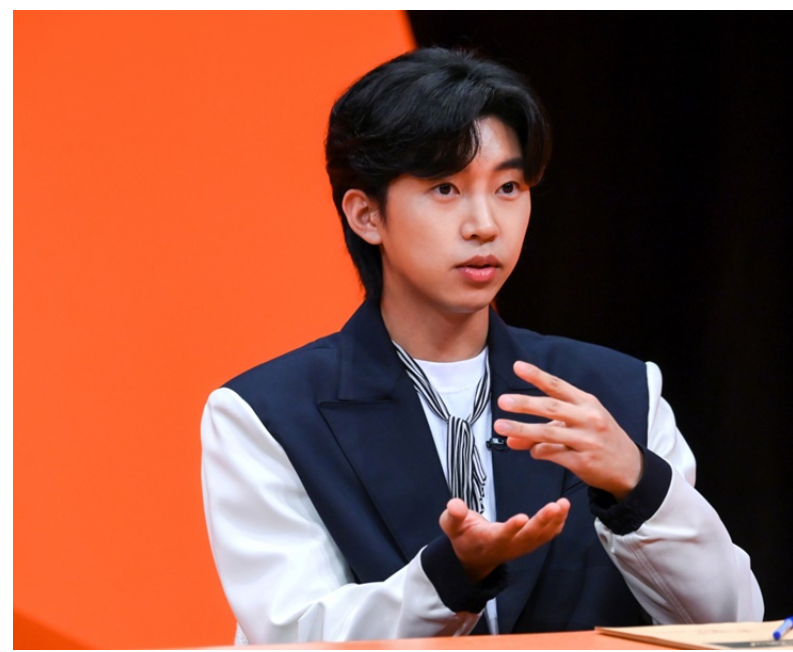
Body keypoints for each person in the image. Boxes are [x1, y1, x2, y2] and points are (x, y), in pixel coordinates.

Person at [201, 47, 764, 645]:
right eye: (446, 188)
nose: (485, 225)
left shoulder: (618, 391)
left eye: (508, 187)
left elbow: (736, 623)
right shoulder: (266, 416)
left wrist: (638, 485)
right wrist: (451, 577)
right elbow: (295, 635)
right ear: (367, 215)